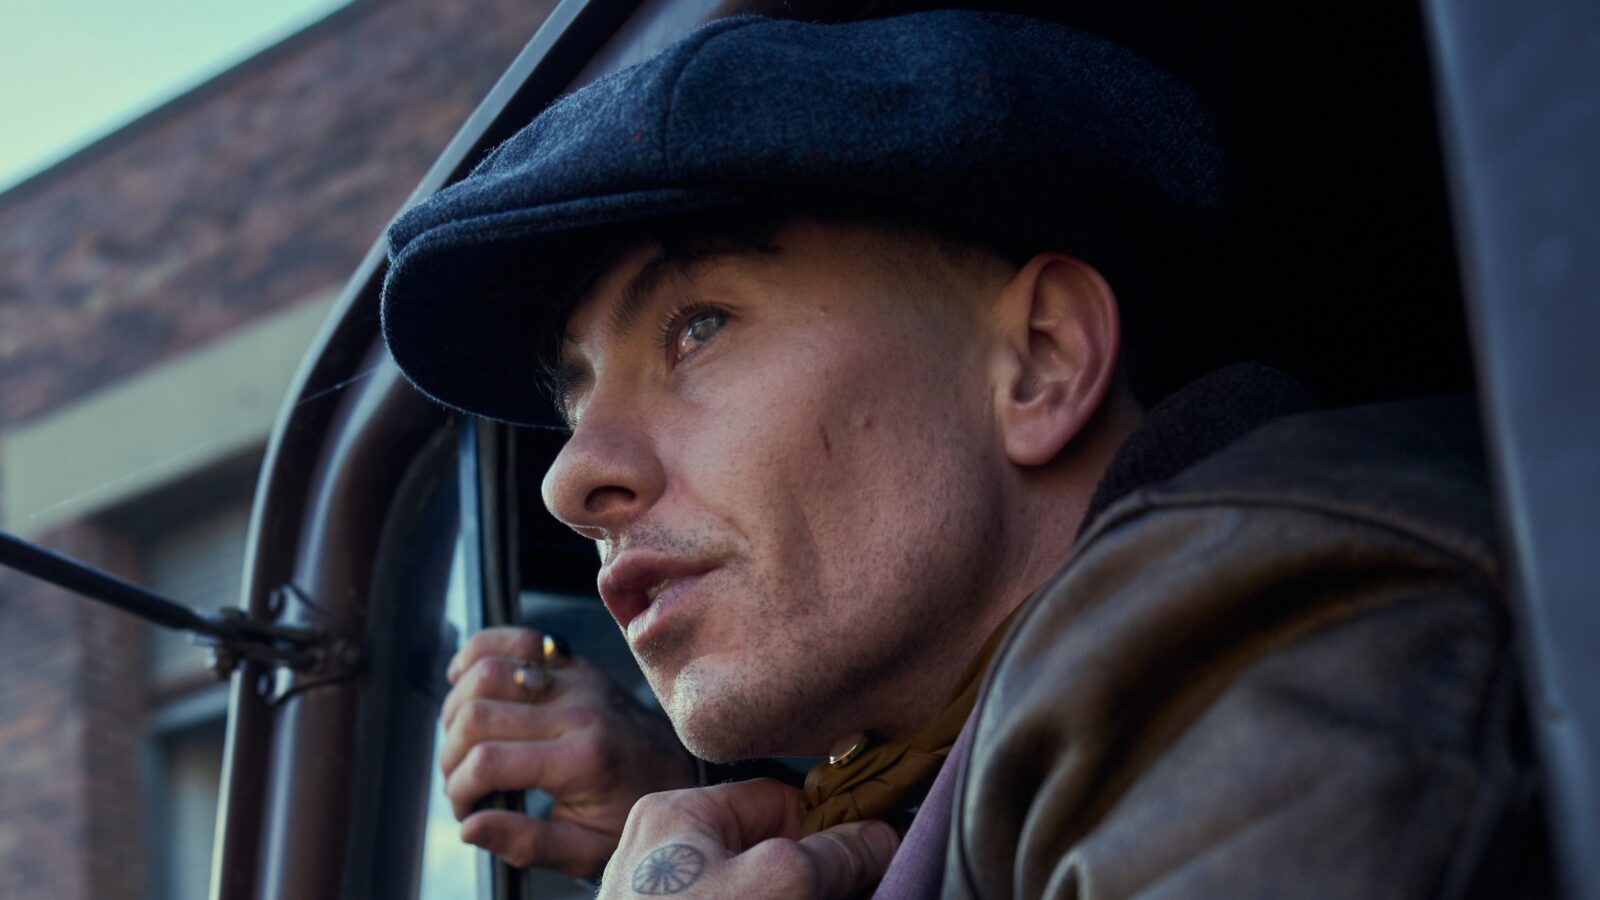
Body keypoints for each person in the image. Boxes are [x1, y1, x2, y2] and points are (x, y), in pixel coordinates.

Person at [382, 10, 1547, 899]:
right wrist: (688, 816)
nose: (569, 477)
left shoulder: (1271, 640)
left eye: (699, 327)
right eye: (575, 396)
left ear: (1040, 360)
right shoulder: (1035, 736)